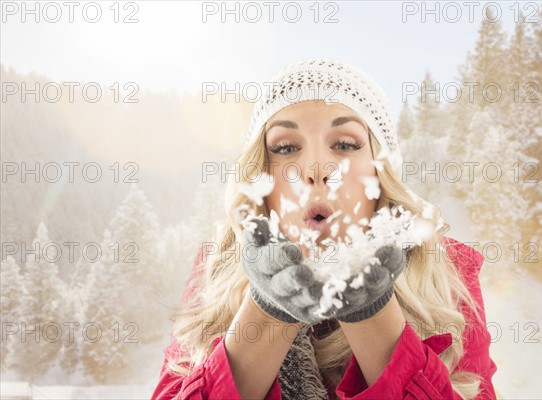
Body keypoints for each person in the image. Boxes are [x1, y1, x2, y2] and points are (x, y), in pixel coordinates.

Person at [151, 58, 498, 399]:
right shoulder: (218, 266)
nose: (317, 169)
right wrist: (267, 310)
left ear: (380, 171)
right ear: (261, 178)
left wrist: (373, 317)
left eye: (345, 144)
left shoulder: (445, 268)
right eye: (286, 147)